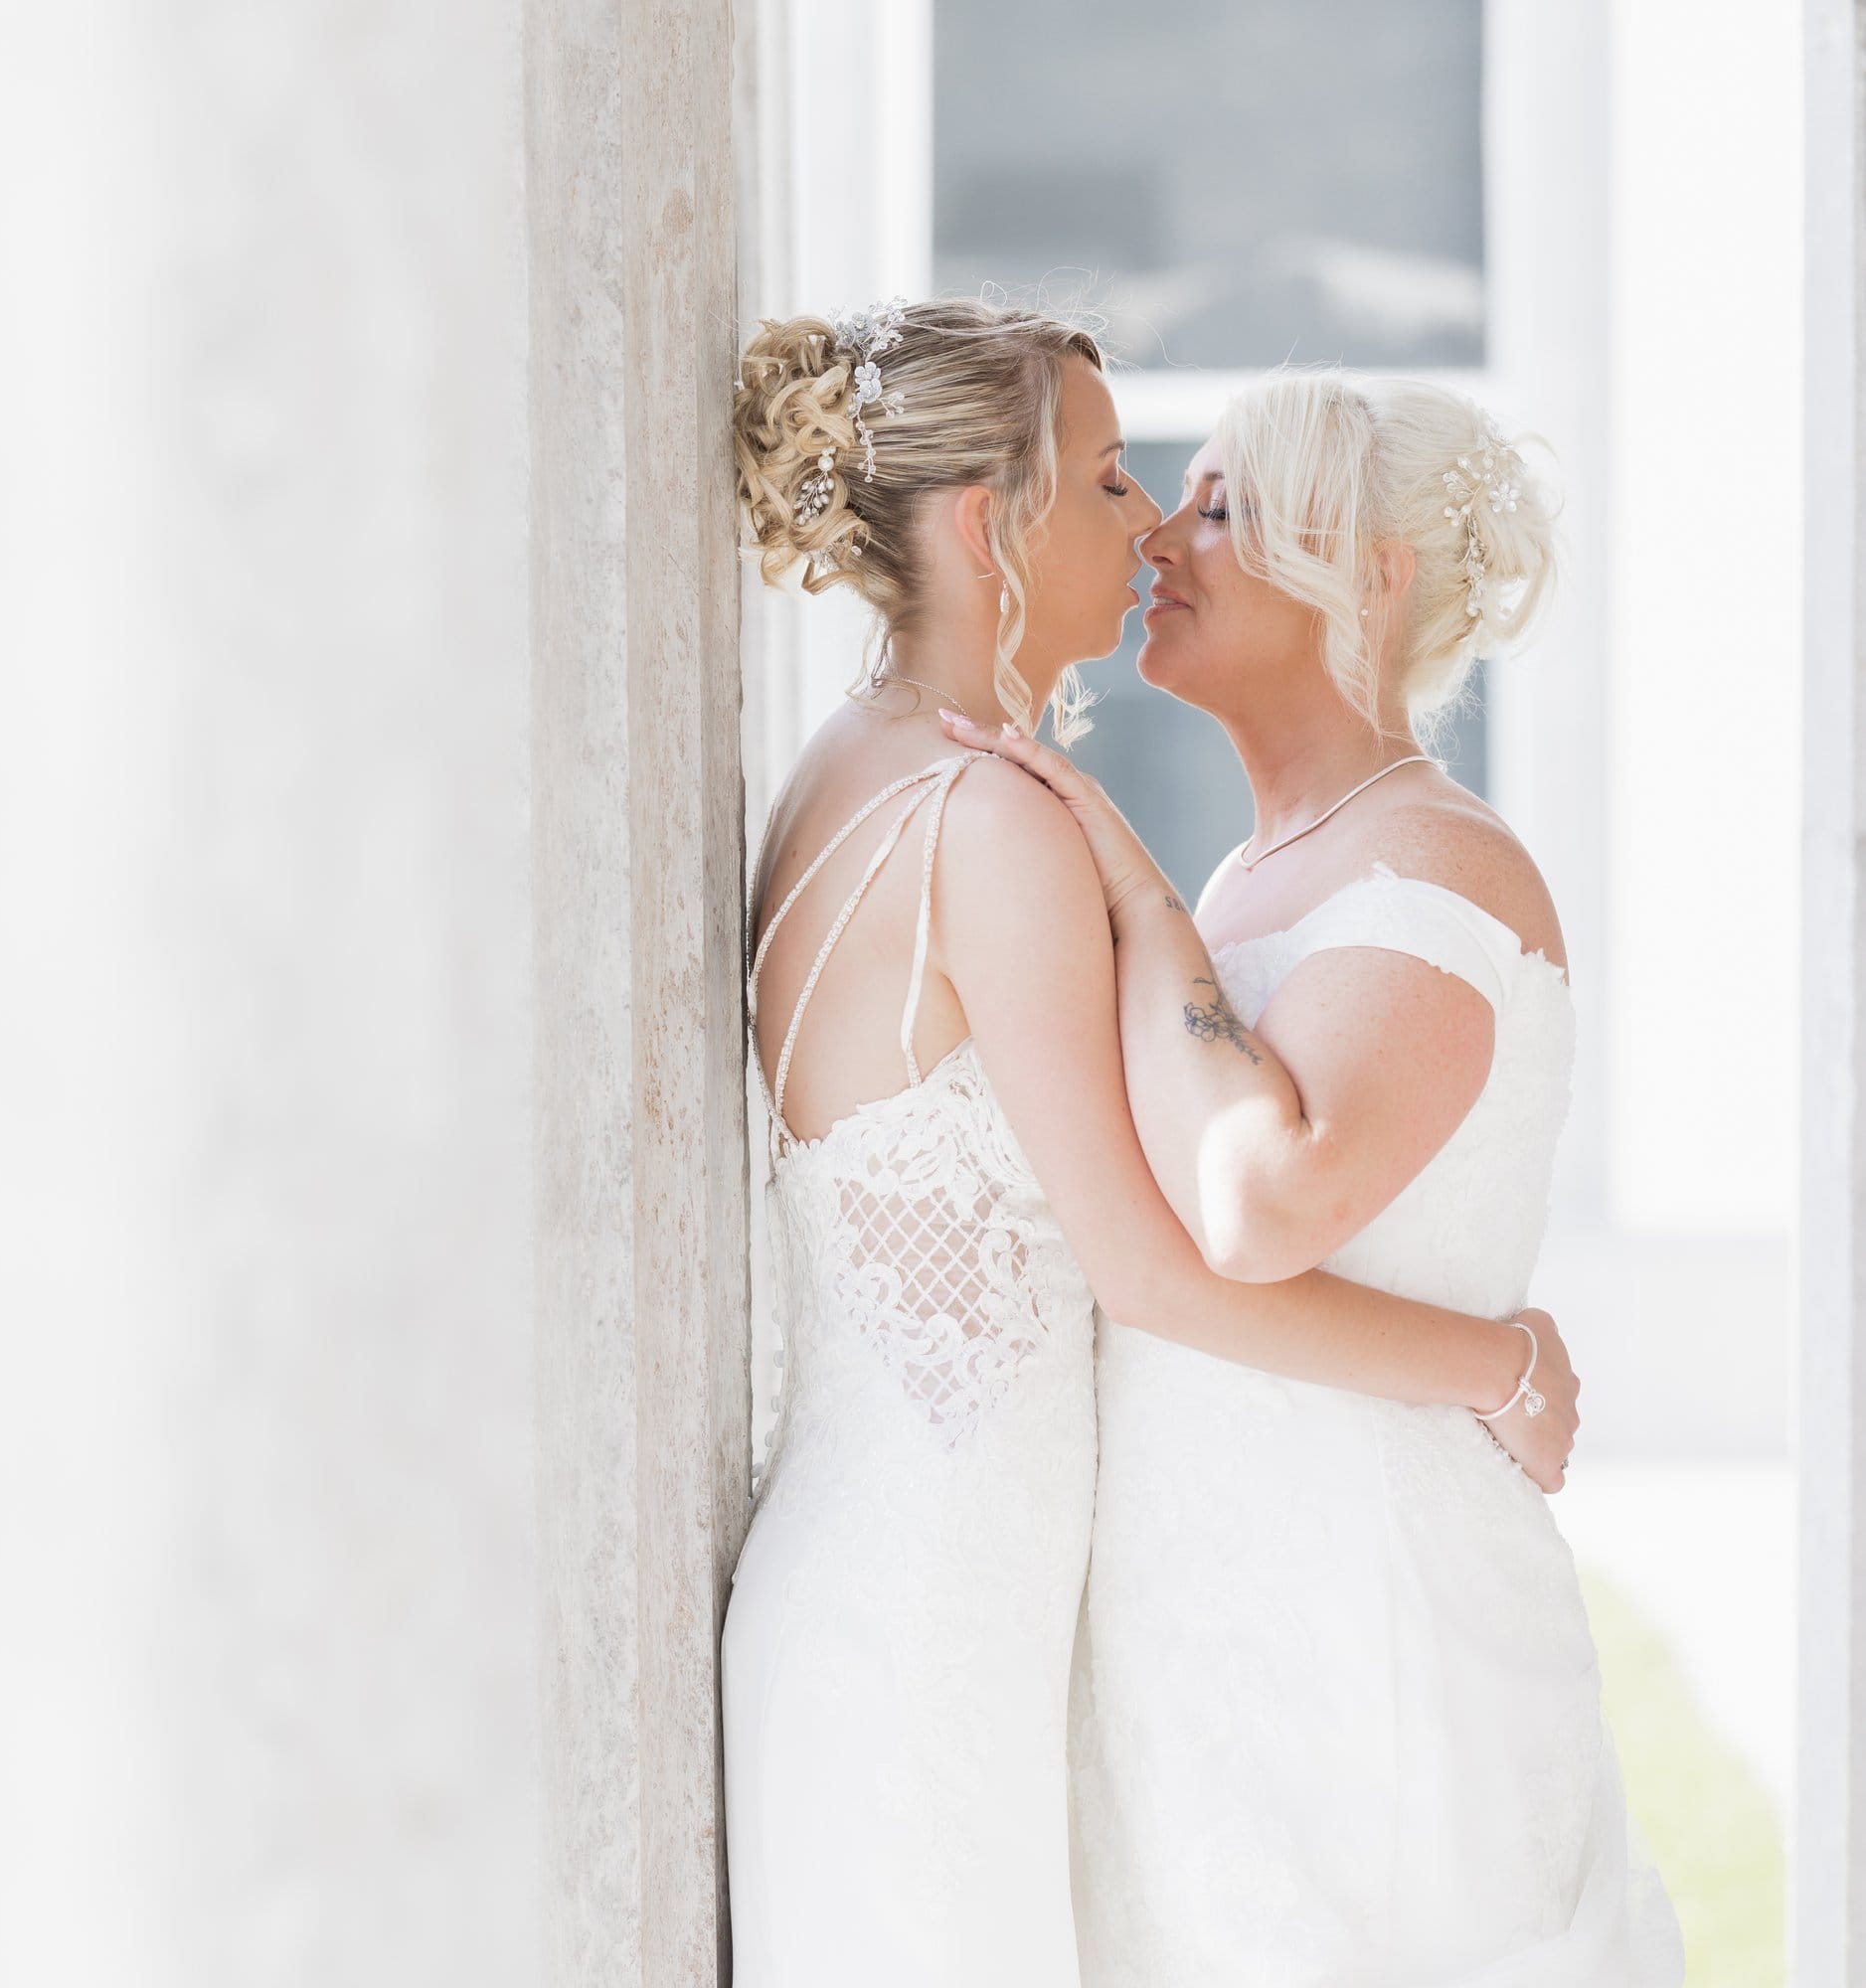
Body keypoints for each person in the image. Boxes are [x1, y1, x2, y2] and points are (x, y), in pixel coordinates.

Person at [721, 299, 1580, 1986]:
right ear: (990, 525)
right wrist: (1497, 1362)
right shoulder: (992, 814)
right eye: (1114, 481)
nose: (1146, 525)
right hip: (948, 1603)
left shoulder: (854, 762)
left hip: (892, 1573)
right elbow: (1155, 1267)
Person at [944, 369, 1683, 1983]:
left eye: (1226, 508)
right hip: (1216, 1607)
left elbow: (1261, 1203)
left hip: (1377, 1623)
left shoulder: (1440, 863)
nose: (1165, 538)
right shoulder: (1262, 868)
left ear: (1376, 576)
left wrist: (1140, 902)